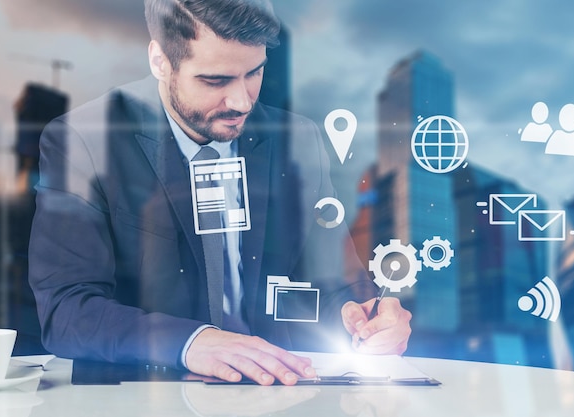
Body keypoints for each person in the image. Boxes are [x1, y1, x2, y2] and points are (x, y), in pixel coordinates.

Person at [29, 0, 411, 386]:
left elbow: (333, 282)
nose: (242, 102)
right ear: (160, 61)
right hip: (148, 395)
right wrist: (191, 343)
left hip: (280, 393)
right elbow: (67, 310)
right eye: (215, 80)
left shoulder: (298, 141)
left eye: (254, 73)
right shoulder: (85, 141)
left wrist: (366, 316)